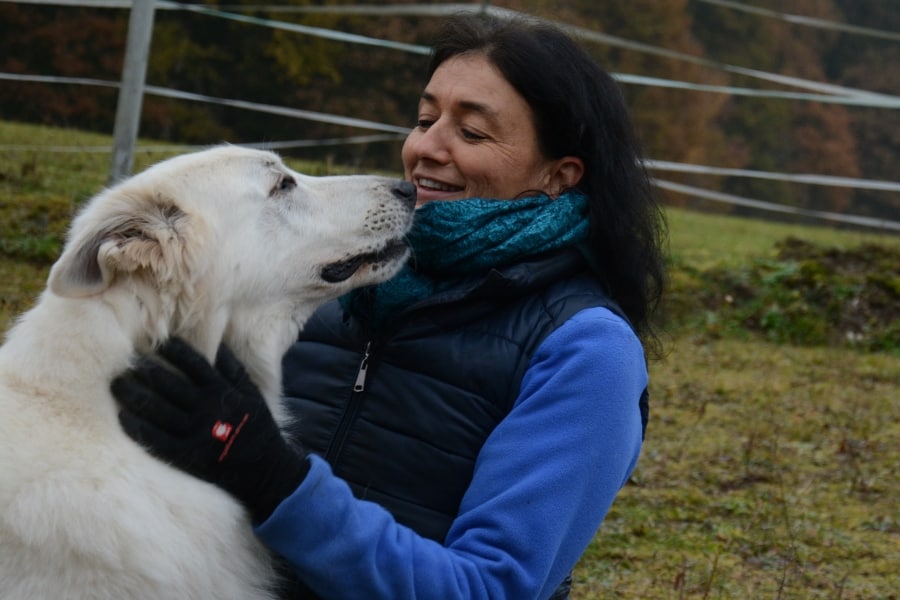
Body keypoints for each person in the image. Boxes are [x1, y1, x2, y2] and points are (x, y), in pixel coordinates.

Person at [112, 12, 667, 600]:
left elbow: (491, 588)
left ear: (559, 175)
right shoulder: (336, 284)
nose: (425, 147)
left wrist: (277, 481)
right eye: (425, 119)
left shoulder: (587, 350)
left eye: (472, 133)